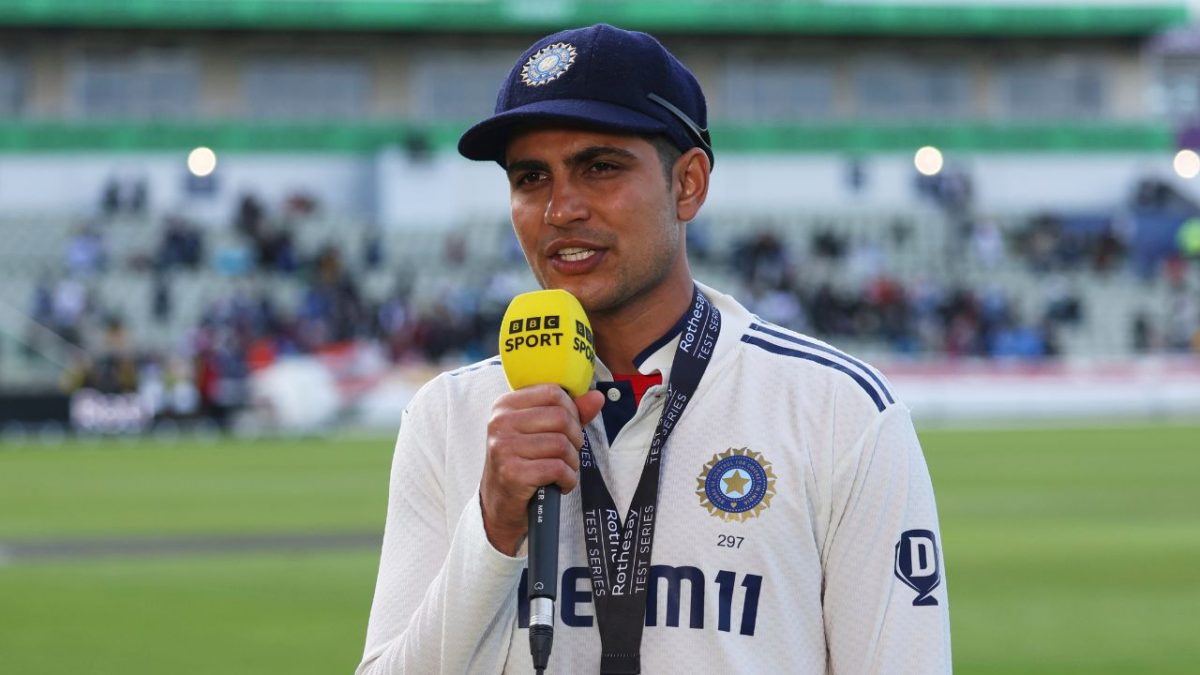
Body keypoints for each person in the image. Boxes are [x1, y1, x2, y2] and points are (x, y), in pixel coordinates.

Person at [357, 24, 950, 674]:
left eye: (600, 168)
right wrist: (493, 527)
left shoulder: (837, 410)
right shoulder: (448, 415)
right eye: (531, 177)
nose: (560, 208)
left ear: (687, 184)